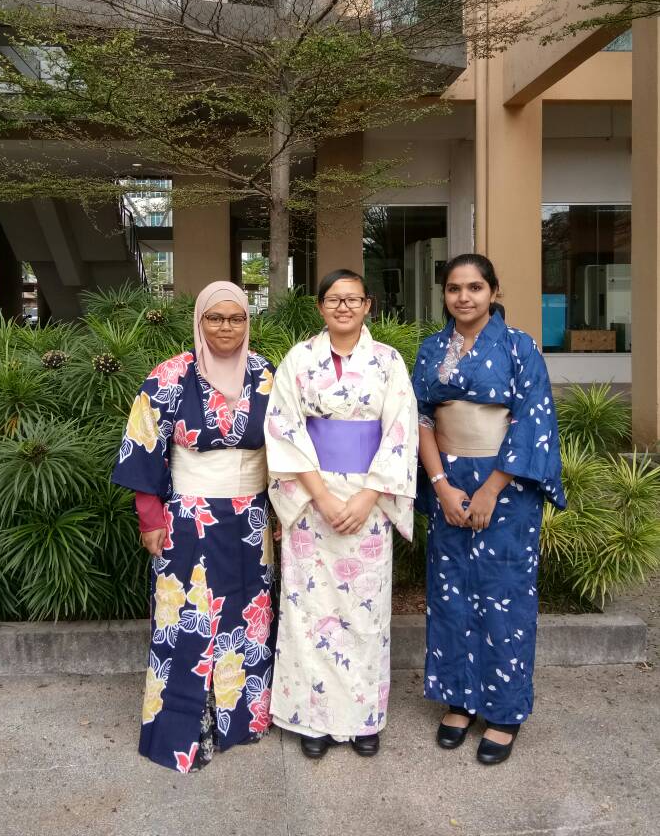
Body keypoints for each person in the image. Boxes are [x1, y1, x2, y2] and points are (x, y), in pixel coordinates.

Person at [111, 281, 276, 773]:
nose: (226, 327)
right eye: (215, 318)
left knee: (249, 618)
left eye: (237, 318)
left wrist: (286, 513)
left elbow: (289, 450)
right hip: (187, 517)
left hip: (251, 519)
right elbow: (144, 449)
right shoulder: (169, 377)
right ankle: (180, 729)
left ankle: (243, 718)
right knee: (186, 619)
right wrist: (149, 517)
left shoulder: (267, 375)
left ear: (248, 322)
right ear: (199, 321)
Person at [411, 254, 565, 766]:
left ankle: (503, 711)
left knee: (504, 593)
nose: (464, 297)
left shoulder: (521, 348)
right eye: (454, 288)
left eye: (475, 287)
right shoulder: (432, 349)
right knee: (451, 592)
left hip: (507, 485)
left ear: (493, 292)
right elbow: (421, 419)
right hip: (447, 482)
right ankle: (459, 700)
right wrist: (439, 484)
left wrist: (492, 488)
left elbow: (531, 420)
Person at [264, 269, 418, 759]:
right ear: (320, 306)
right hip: (312, 498)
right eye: (334, 299)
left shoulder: (388, 361)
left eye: (353, 299)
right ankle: (313, 719)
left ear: (368, 305)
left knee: (363, 612)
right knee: (310, 611)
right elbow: (283, 429)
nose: (344, 307)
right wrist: (321, 497)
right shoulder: (299, 360)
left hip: (369, 500)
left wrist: (369, 496)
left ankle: (363, 718)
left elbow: (401, 432)